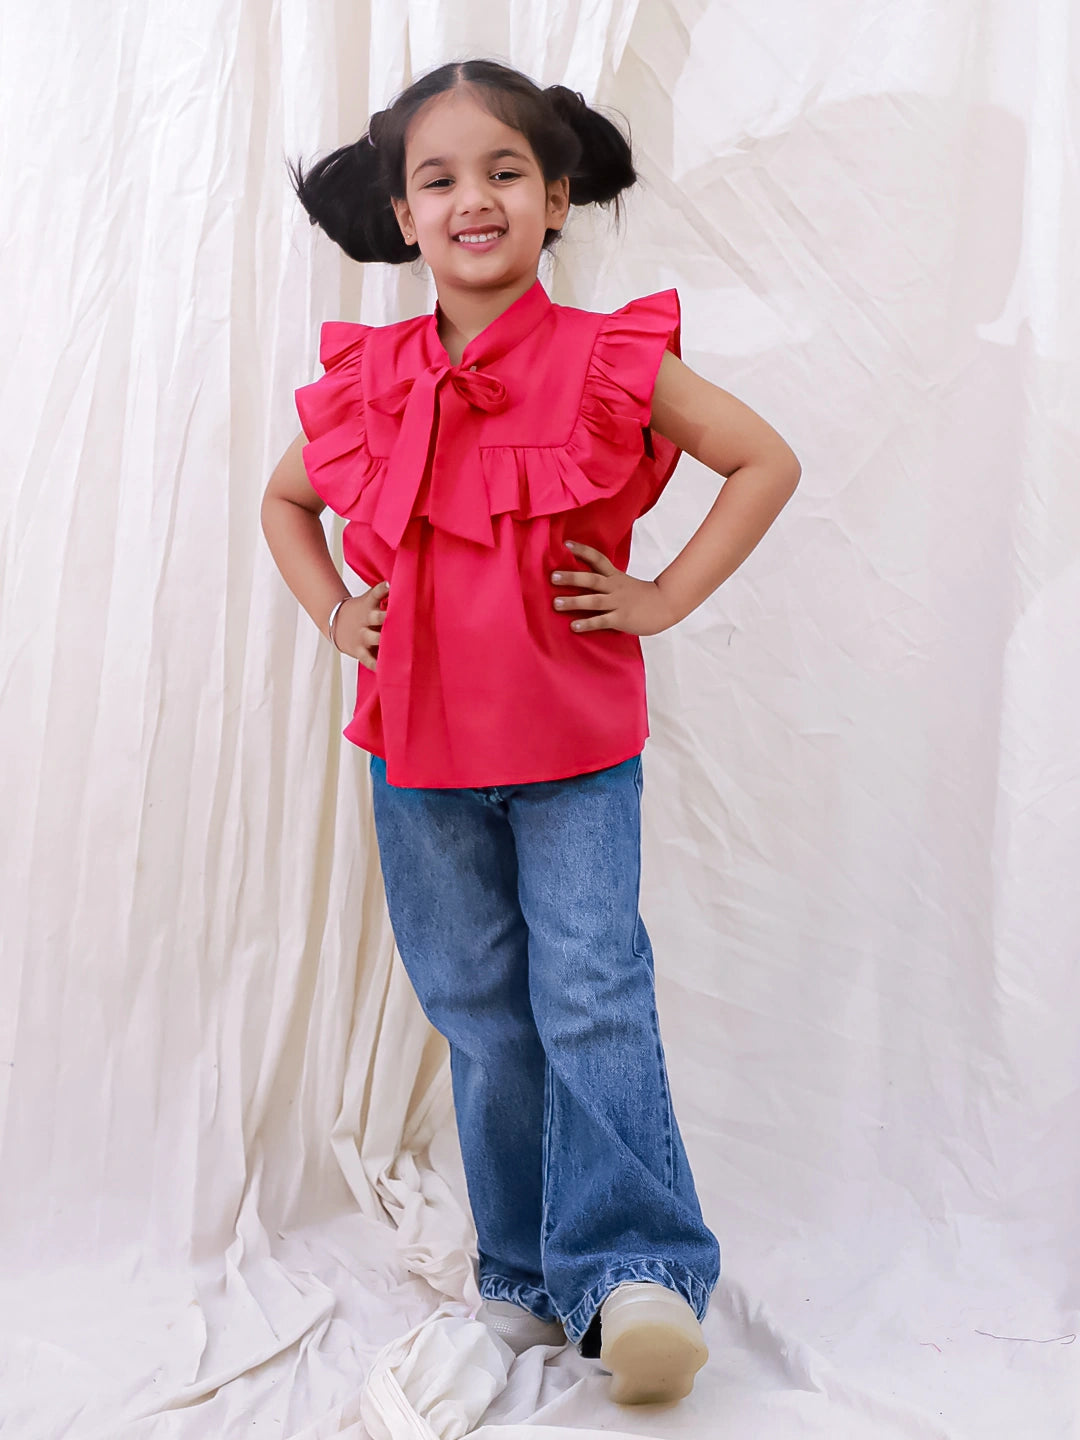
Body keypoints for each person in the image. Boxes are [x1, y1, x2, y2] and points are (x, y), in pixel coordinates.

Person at [261, 58, 800, 1407]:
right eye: (439, 179)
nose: (474, 199)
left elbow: (764, 459)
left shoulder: (608, 359)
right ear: (403, 215)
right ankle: (518, 1275)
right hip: (419, 763)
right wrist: (337, 616)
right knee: (484, 1020)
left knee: (592, 996)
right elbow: (285, 502)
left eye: (505, 171)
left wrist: (661, 597)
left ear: (556, 198)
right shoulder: (376, 379)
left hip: (575, 756)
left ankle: (636, 1276)